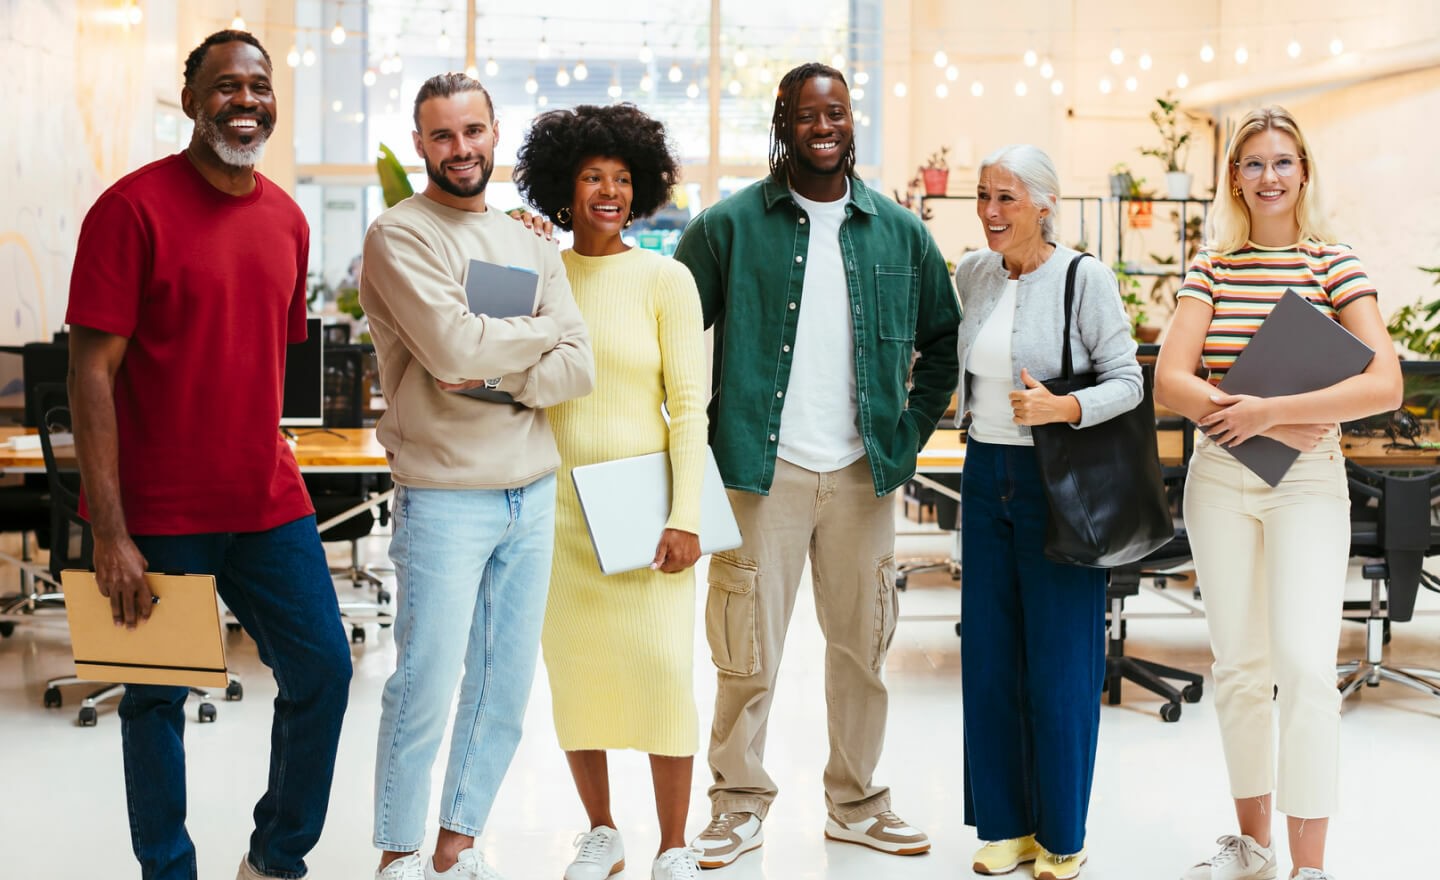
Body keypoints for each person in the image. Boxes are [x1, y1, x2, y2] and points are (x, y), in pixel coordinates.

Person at [65, 29, 352, 880]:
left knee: (324, 672)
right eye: (226, 86)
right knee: (155, 700)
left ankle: (274, 858)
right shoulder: (131, 209)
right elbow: (91, 373)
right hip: (156, 515)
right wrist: (110, 531)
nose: (246, 101)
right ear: (190, 101)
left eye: (259, 87)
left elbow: (259, 356)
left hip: (266, 501)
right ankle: (168, 870)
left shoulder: (289, 220)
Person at [673, 61, 960, 868]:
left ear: (851, 121)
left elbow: (945, 343)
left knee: (863, 647)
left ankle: (857, 802)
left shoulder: (900, 231)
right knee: (746, 649)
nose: (824, 126)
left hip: (864, 473)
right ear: (783, 123)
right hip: (760, 472)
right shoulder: (728, 226)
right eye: (808, 114)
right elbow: (660, 323)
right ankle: (737, 802)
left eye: (836, 111)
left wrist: (903, 440)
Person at [360, 73, 594, 880]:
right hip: (445, 495)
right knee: (424, 683)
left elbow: (579, 363)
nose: (461, 149)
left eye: (473, 131)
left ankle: (455, 847)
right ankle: (398, 851)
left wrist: (500, 369)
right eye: (443, 136)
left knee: (503, 687)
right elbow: (451, 351)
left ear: (495, 132)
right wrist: (529, 339)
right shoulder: (401, 236)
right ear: (421, 143)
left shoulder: (530, 239)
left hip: (532, 490)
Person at [1156, 106, 1399, 880]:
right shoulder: (1212, 268)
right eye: (1254, 163)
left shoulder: (1334, 263)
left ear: (1304, 172)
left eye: (1283, 161)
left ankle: (1310, 867)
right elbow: (1170, 378)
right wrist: (1249, 420)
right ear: (1235, 177)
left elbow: (1383, 383)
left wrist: (1277, 413)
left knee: (1302, 664)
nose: (1269, 176)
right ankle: (1254, 846)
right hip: (1223, 478)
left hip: (1308, 481)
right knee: (1238, 664)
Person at [512, 103, 707, 880]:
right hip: (553, 509)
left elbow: (691, 409)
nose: (609, 191)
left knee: (663, 675)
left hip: (644, 508)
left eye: (623, 178)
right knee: (578, 678)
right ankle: (602, 831)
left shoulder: (666, 278)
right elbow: (494, 372)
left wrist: (685, 515)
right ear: (565, 185)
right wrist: (514, 248)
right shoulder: (538, 272)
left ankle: (673, 843)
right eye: (593, 176)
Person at [952, 144, 1142, 880]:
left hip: (1057, 480)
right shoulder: (975, 274)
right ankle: (1005, 827)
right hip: (985, 472)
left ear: (1043, 205)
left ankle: (1063, 833)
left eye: (1006, 198)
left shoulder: (1083, 278)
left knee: (1060, 666)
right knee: (990, 658)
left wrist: (1065, 406)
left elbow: (1128, 380)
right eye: (982, 196)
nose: (991, 212)